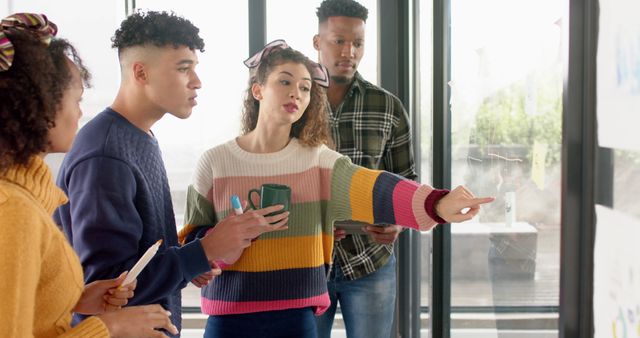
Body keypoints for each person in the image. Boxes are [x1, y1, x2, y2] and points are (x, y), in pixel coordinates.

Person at [179, 40, 493, 338]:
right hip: (228, 320)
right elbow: (190, 244)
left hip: (298, 319)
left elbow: (377, 189)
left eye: (305, 87)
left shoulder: (319, 162)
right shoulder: (214, 162)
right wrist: (218, 249)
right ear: (258, 90)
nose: (297, 94)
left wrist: (436, 204)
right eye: (285, 82)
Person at [53, 11, 287, 336]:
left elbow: (140, 259)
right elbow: (109, 288)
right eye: (183, 68)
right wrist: (203, 252)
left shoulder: (139, 136)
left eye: (195, 67)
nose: (197, 81)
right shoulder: (105, 154)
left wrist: (193, 262)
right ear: (141, 72)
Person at [0, 12, 178, 337]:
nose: (81, 112)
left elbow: (30, 309)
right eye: (76, 99)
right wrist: (106, 328)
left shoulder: (26, 202)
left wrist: (77, 300)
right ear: (40, 104)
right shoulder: (13, 211)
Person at [312, 1, 416, 336]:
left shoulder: (387, 106)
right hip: (307, 262)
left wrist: (398, 224)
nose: (349, 51)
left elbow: (407, 181)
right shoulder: (291, 103)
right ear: (317, 42)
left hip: (371, 263)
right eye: (338, 41)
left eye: (358, 43)